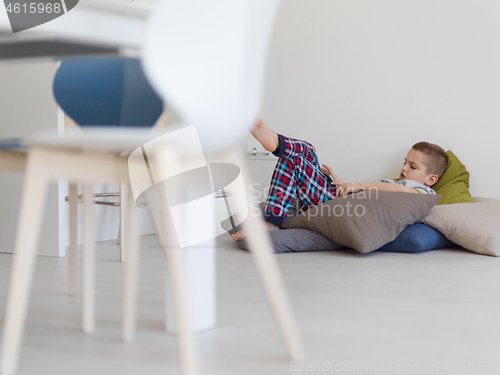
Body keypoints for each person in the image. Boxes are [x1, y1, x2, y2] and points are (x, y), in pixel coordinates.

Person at [231, 118, 448, 241]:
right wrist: (341, 182)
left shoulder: (422, 195)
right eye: (405, 162)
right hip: (337, 197)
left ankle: (271, 223)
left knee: (294, 160)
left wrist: (356, 185)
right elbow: (365, 195)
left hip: (336, 206)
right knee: (307, 151)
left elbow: (403, 193)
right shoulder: (398, 184)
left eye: (412, 166)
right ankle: (274, 141)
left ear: (430, 179)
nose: (403, 168)